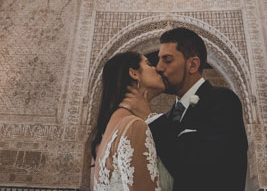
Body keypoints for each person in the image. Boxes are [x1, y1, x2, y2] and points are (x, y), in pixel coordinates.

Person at [121, 27, 248, 191]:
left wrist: (149, 116)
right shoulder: (168, 117)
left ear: (192, 65)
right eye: (158, 60)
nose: (158, 68)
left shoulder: (223, 101)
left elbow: (202, 171)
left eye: (167, 60)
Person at [91, 51, 171, 191]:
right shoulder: (134, 126)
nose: (156, 68)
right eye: (148, 64)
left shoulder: (107, 129)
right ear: (134, 73)